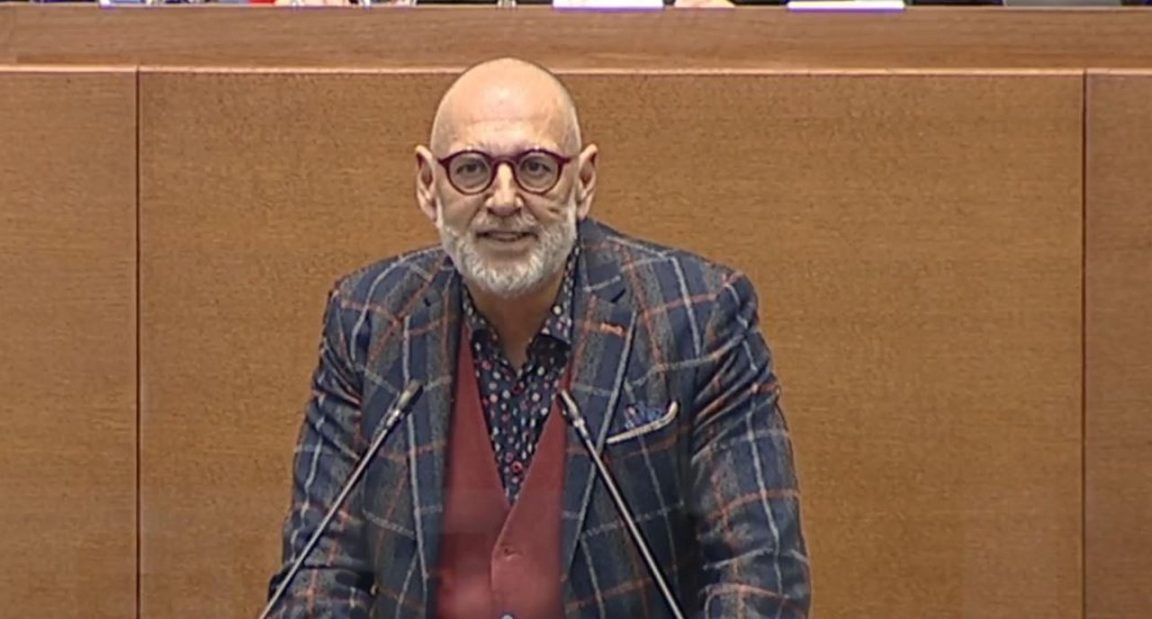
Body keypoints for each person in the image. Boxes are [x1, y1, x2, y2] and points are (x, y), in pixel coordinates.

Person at [268, 57, 810, 619]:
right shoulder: (369, 320)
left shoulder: (697, 317)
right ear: (429, 185)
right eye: (472, 169)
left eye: (535, 168)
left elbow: (760, 574)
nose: (504, 200)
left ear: (583, 181)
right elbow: (318, 575)